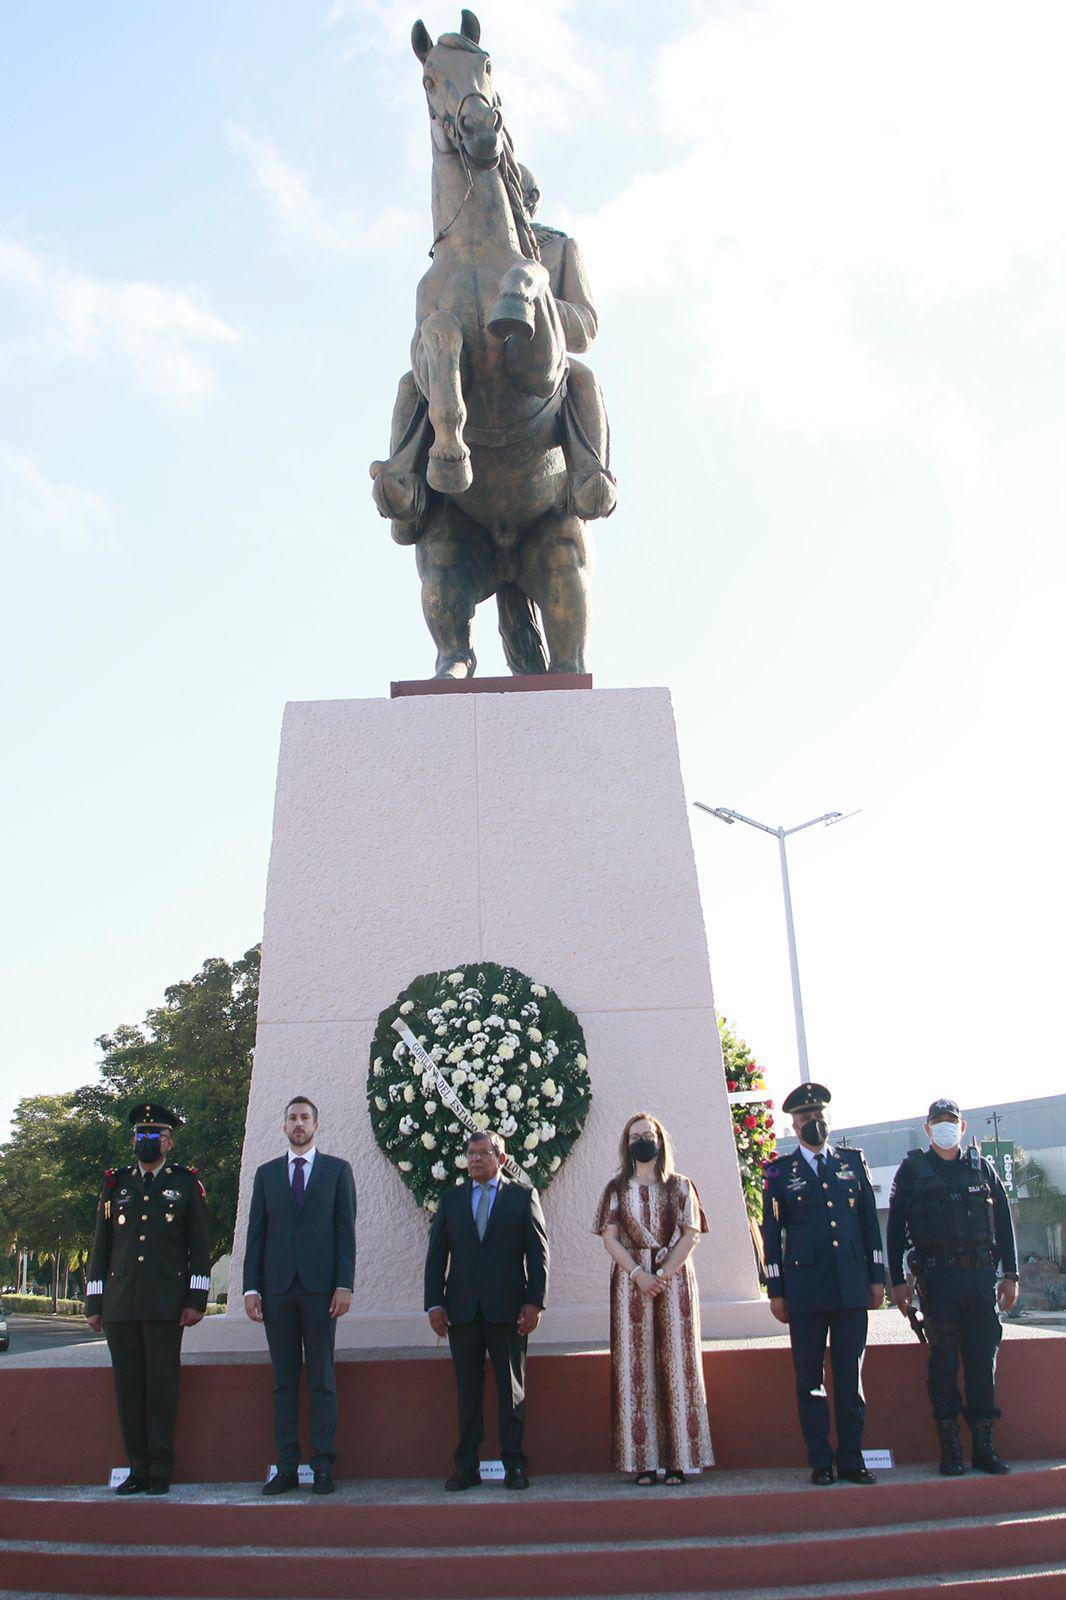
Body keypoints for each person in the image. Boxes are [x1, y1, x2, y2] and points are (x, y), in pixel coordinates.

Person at [371, 164, 615, 539]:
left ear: (527, 200)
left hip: (531, 348)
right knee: (411, 383)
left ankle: (591, 474)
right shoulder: (453, 259)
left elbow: (585, 328)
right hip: (465, 360)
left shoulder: (559, 249)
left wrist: (538, 302)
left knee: (582, 378)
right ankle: (403, 477)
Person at [761, 1083, 886, 1486]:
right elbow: (771, 1234)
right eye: (805, 1117)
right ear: (793, 1125)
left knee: (849, 1378)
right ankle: (821, 1461)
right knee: (810, 1381)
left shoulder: (852, 1162)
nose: (813, 1121)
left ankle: (852, 1459)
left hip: (851, 1285)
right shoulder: (779, 1172)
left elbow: (869, 1224)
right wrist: (776, 1290)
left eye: (819, 1115)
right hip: (806, 1289)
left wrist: (877, 1278)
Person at [84, 1102, 212, 1495]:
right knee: (129, 1389)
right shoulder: (116, 1184)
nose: (146, 1140)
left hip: (165, 1303)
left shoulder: (186, 1184)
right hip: (120, 1304)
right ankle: (137, 1468)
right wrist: (94, 1304)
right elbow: (101, 1247)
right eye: (140, 1134)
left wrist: (196, 1299)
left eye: (154, 1134)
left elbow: (199, 1247)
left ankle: (159, 1470)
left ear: (169, 1142)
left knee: (161, 1388)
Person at [886, 1098, 1018, 1476]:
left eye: (951, 1120)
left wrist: (1011, 1274)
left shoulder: (982, 1167)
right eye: (938, 1121)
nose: (945, 1126)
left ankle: (984, 1449)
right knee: (943, 1365)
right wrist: (898, 1283)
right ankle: (951, 1450)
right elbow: (894, 1230)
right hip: (938, 1282)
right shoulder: (912, 1171)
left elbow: (1004, 1221)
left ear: (962, 1127)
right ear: (928, 1128)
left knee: (982, 1364)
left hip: (979, 1280)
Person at [243, 1095, 357, 1496]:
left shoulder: (338, 1171)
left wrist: (344, 1284)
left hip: (321, 1292)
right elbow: (256, 1235)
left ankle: (323, 1465)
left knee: (322, 1378)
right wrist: (251, 1287)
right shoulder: (266, 1175)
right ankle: (287, 1467)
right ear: (284, 1125)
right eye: (292, 1117)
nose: (298, 1123)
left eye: (305, 1117)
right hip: (277, 1292)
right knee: (284, 1382)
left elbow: (345, 1232)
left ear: (316, 1125)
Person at [593, 1112, 714, 1486]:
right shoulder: (615, 1189)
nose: (642, 1141)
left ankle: (680, 1459)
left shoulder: (681, 1185)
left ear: (660, 1141)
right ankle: (642, 1461)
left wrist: (660, 1275)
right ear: (626, 1144)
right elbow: (610, 1237)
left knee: (678, 1365)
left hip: (673, 1281)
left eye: (648, 1134)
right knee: (635, 1368)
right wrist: (638, 1274)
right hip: (630, 1281)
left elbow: (691, 1234)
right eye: (635, 1136)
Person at [424, 1130, 549, 1492]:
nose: (475, 1159)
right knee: (467, 1391)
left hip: (509, 1310)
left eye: (483, 1153)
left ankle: (514, 1464)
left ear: (501, 1158)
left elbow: (538, 1254)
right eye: (471, 1153)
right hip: (461, 1311)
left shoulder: (522, 1197)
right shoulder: (451, 1199)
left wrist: (534, 1301)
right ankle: (466, 1467)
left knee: (511, 1390)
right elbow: (437, 1256)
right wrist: (435, 1302)